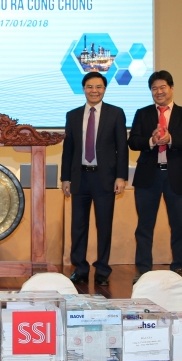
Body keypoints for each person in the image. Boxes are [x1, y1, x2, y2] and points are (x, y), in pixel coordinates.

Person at [128, 70, 182, 285]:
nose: (158, 92)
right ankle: (143, 270)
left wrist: (171, 139)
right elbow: (133, 142)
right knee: (144, 226)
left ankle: (179, 268)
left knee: (179, 227)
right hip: (148, 176)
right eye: (154, 89)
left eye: (162, 87)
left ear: (171, 88)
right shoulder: (142, 113)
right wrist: (151, 141)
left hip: (177, 176)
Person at [60, 71, 128, 287]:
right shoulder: (72, 115)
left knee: (104, 225)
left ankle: (102, 270)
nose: (94, 91)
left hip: (104, 178)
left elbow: (122, 148)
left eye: (98, 87)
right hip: (80, 177)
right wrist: (65, 178)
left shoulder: (116, 113)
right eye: (90, 87)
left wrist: (121, 176)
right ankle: (80, 268)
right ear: (83, 89)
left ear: (104, 89)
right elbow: (68, 149)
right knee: (78, 226)